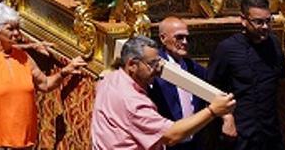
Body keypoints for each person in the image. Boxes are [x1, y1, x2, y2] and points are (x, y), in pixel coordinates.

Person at [207, 0, 285, 149]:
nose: (265, 27)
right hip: (240, 132)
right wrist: (227, 118)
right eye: (258, 22)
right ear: (243, 20)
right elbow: (211, 87)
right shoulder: (227, 49)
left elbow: (281, 74)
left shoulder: (273, 43)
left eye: (268, 21)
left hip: (269, 131)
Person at [0, 3, 86, 150]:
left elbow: (45, 84)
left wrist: (65, 71)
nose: (17, 33)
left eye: (18, 28)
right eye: (10, 29)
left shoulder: (24, 58)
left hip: (23, 144)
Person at [92, 36, 235, 150]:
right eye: (152, 64)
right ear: (132, 65)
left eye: (158, 62)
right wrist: (212, 111)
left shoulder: (108, 79)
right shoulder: (133, 102)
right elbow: (172, 135)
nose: (157, 69)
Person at [147, 17, 209, 150]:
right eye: (179, 37)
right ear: (163, 38)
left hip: (193, 143)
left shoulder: (193, 68)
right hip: (167, 143)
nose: (185, 42)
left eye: (187, 38)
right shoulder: (154, 69)